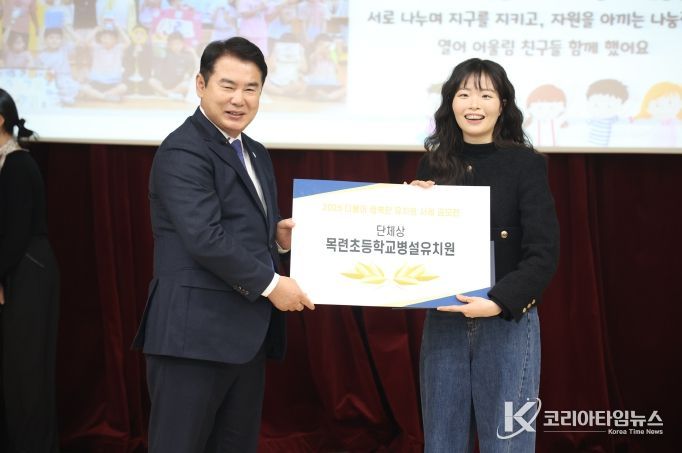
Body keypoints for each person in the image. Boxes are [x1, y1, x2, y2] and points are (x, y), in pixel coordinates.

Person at [132, 37, 314, 453]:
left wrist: (278, 241)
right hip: (192, 338)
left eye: (251, 89)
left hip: (243, 337)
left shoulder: (255, 152)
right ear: (201, 85)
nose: (239, 99)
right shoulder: (184, 149)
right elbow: (204, 237)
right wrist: (273, 285)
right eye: (227, 86)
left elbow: (242, 231)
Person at [412, 58, 559, 452]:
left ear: (502, 104)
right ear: (451, 102)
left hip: (507, 321)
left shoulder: (526, 164)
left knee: (507, 442)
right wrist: (411, 207)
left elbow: (543, 253)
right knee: (441, 441)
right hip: (445, 319)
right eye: (464, 94)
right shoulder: (433, 163)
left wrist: (498, 302)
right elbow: (419, 247)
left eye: (485, 95)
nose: (473, 104)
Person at [0, 88, 60, 453]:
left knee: (27, 371)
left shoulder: (18, 164)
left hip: (28, 272)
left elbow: (17, 233)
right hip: (14, 270)